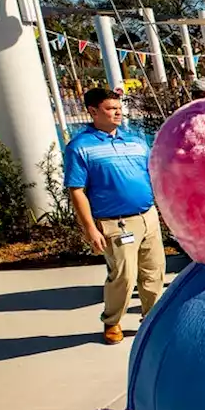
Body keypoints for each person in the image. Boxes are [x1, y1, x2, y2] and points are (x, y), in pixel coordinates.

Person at [64, 87, 165, 345]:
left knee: (154, 272)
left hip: (148, 216)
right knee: (124, 275)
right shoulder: (80, 146)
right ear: (93, 111)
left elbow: (152, 174)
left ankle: (152, 320)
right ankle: (112, 321)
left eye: (119, 107)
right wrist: (90, 228)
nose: (118, 112)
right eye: (111, 108)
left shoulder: (135, 140)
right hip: (116, 223)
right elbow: (76, 190)